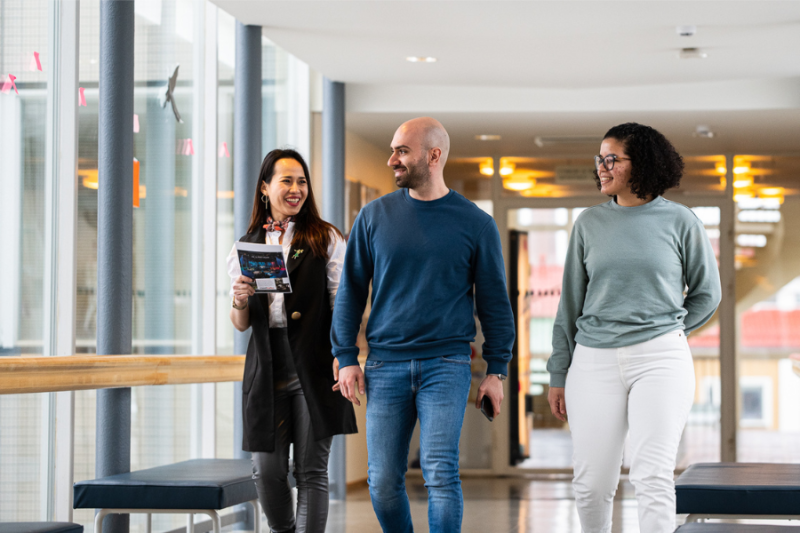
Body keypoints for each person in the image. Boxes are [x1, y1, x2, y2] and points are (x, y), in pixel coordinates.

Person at [331, 117, 515, 533]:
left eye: (402, 151)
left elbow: (494, 305)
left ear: (433, 156)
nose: (392, 159)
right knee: (381, 481)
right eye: (393, 149)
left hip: (446, 364)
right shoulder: (374, 216)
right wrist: (345, 357)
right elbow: (351, 292)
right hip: (384, 366)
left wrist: (496, 371)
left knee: (440, 472)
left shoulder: (476, 223)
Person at [547, 123, 721, 533]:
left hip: (661, 359)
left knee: (653, 475)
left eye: (612, 159)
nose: (602, 168)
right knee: (591, 484)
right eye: (599, 159)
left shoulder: (681, 221)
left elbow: (706, 293)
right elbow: (569, 303)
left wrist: (669, 329)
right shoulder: (589, 223)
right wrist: (559, 372)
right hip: (593, 361)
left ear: (640, 163)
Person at [227, 148, 357, 533]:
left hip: (316, 363)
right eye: (286, 180)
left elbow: (342, 305)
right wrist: (238, 299)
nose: (296, 189)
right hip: (267, 365)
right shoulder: (247, 244)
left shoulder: (326, 238)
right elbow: (240, 324)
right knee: (265, 470)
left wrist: (345, 354)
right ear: (265, 188)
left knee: (311, 471)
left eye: (301, 181)